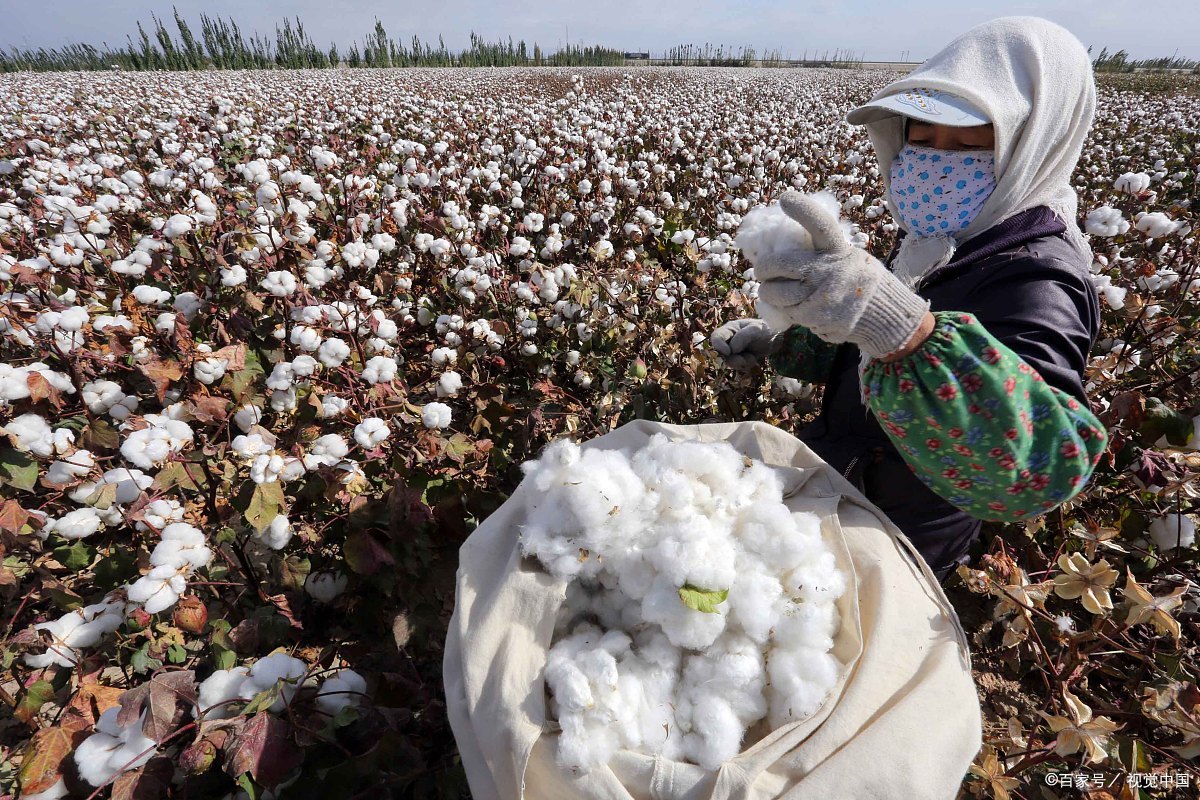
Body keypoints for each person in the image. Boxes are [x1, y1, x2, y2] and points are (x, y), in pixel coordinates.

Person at [710, 16, 1109, 584]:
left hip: (901, 549)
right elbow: (871, 354)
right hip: (846, 498)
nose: (938, 160)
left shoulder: (1036, 279)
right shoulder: (944, 243)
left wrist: (901, 328)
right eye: (923, 137)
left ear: (1034, 143)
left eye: (971, 143)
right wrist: (784, 345)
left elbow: (1039, 469)